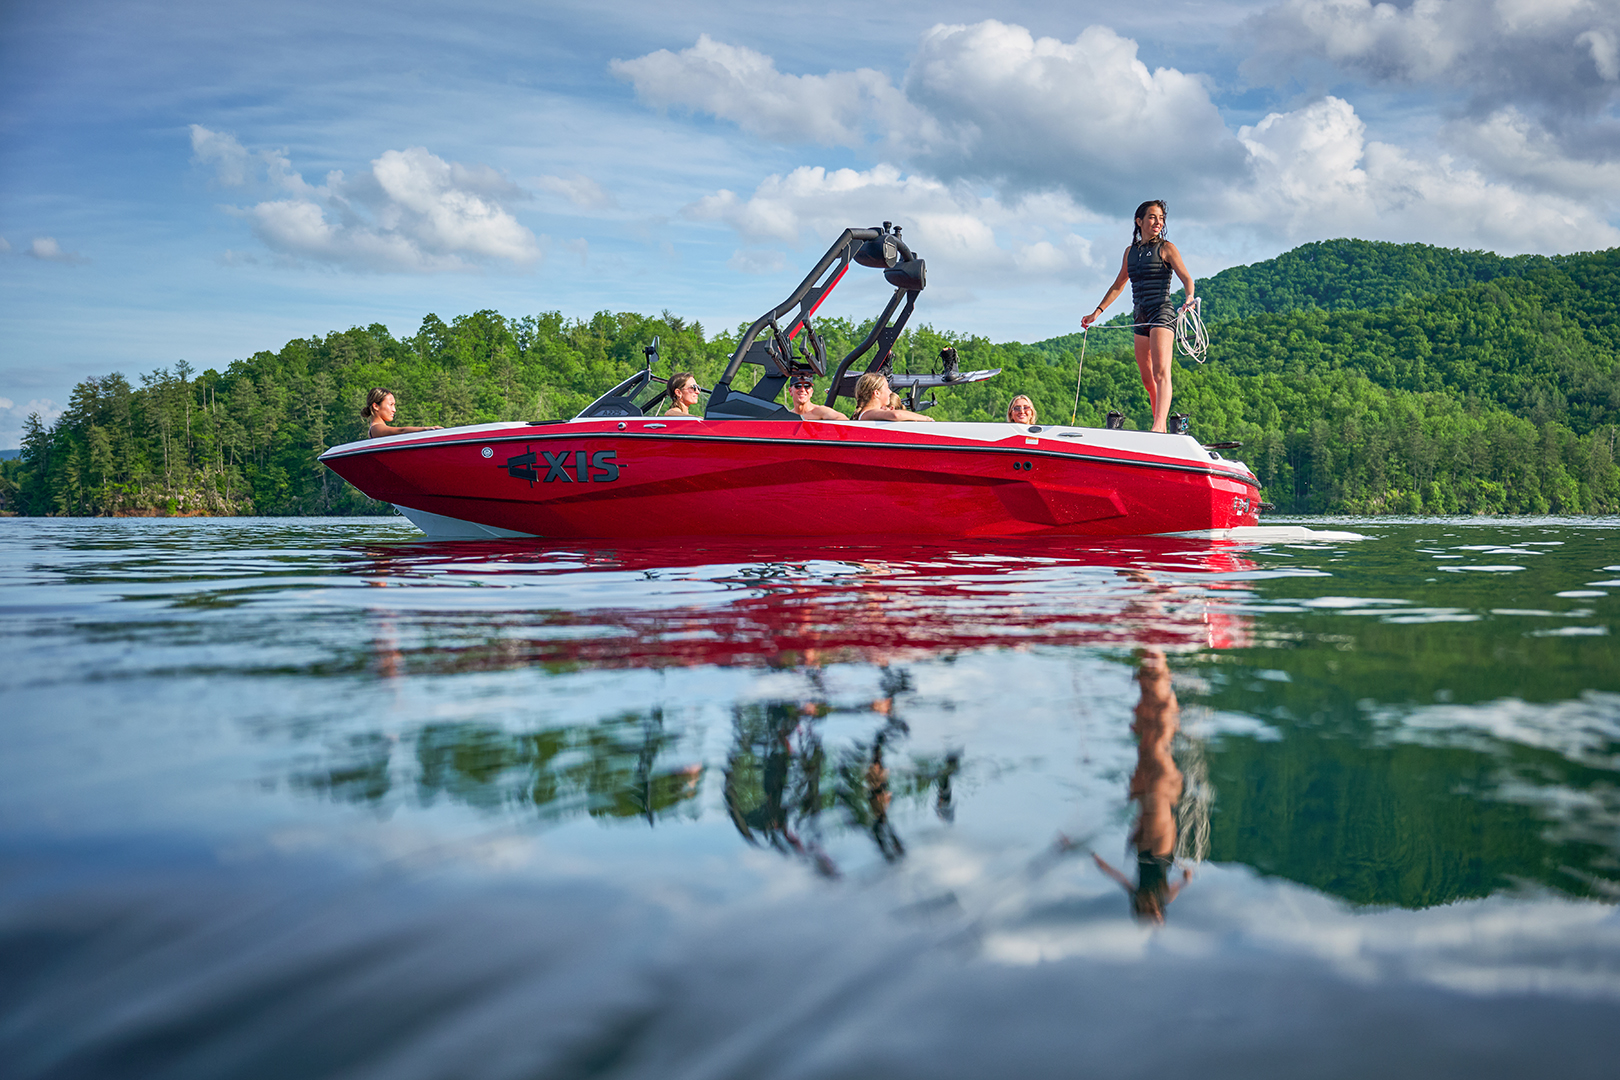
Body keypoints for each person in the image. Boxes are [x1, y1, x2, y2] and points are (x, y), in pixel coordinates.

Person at [1092, 647, 1192, 923]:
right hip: (1159, 845)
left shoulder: (1136, 892)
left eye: (1146, 909)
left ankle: (1150, 667)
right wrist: (1184, 879)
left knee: (1148, 747)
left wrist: (1098, 862)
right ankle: (1157, 665)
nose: (1150, 906)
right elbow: (1178, 888)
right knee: (1156, 750)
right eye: (1154, 911)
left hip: (1144, 841)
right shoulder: (1163, 895)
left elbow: (1118, 877)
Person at [1081, 200, 1194, 433]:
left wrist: (1190, 297)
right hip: (1140, 316)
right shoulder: (1130, 253)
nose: (1158, 222)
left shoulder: (1167, 248)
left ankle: (1159, 424)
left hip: (1162, 312)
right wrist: (1096, 312)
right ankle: (1159, 423)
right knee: (1146, 379)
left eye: (1161, 218)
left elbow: (1187, 278)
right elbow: (1118, 285)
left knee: (1161, 371)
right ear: (1139, 221)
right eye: (1153, 217)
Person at [851, 372, 933, 422]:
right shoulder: (867, 413)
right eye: (887, 388)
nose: (890, 392)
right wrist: (926, 419)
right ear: (876, 393)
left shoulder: (866, 414)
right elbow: (896, 415)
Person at [362, 389, 442, 438]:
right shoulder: (375, 428)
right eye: (391, 405)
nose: (394, 410)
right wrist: (426, 429)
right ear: (376, 406)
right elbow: (401, 431)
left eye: (394, 405)